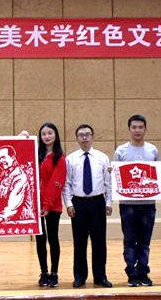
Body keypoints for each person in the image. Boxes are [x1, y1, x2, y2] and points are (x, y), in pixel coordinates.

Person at [63, 124, 113, 289]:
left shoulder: (102, 158)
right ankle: (79, 276)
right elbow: (66, 184)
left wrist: (108, 203)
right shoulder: (70, 159)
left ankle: (100, 276)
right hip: (78, 204)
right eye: (81, 135)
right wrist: (69, 204)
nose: (84, 137)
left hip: (98, 203)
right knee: (79, 242)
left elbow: (108, 183)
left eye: (87, 134)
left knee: (99, 242)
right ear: (77, 138)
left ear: (93, 137)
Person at [113, 114, 159, 287]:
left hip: (148, 204)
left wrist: (160, 177)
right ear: (129, 129)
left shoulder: (152, 150)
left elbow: (155, 176)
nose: (137, 130)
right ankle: (131, 273)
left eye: (140, 127)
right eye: (134, 127)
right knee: (130, 240)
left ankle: (143, 272)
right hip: (127, 205)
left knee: (145, 241)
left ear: (145, 129)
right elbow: (116, 177)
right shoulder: (121, 151)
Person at [21, 123, 66, 287]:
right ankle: (44, 272)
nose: (47, 136)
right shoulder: (36, 154)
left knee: (53, 239)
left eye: (50, 133)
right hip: (35, 205)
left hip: (52, 205)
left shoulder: (60, 158)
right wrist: (22, 138)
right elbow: (19, 156)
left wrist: (46, 205)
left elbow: (56, 183)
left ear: (56, 135)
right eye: (44, 134)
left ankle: (54, 273)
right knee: (40, 239)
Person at [0, 145, 35, 226]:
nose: (1, 161)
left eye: (3, 157)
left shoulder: (20, 176)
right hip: (6, 220)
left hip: (22, 221)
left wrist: (2, 216)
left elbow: (14, 201)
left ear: (13, 157)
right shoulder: (5, 175)